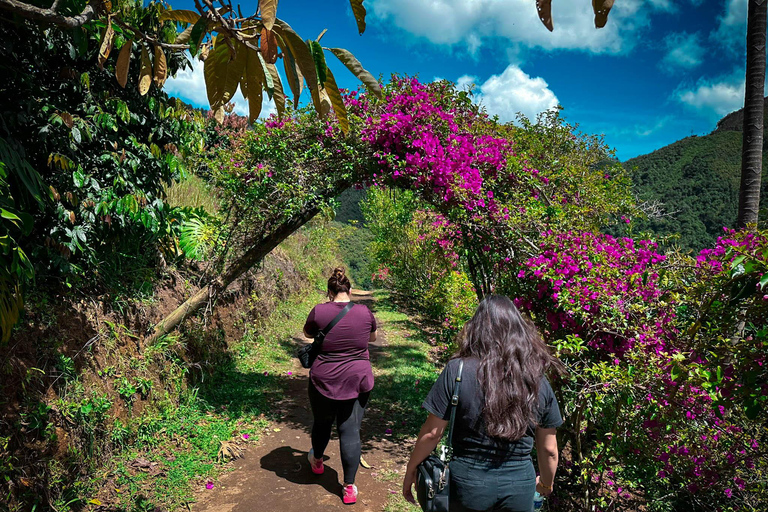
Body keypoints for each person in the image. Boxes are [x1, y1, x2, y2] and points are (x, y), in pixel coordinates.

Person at [402, 295, 563, 512]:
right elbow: (549, 449)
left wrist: (411, 469)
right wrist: (545, 483)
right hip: (519, 487)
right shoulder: (536, 379)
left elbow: (432, 433)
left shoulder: (457, 370)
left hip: (468, 483)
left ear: (478, 329)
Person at [303, 267, 378, 505]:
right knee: (350, 430)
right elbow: (372, 338)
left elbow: (307, 334)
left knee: (322, 423)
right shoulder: (365, 312)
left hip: (323, 379)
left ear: (329, 292)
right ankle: (349, 487)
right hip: (357, 379)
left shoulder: (319, 311)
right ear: (351, 290)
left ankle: (316, 462)